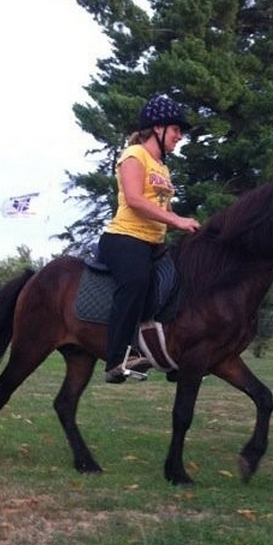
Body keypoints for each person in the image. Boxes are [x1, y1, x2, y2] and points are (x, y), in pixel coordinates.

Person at [98, 94, 201, 383]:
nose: (179, 136)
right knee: (137, 282)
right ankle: (117, 360)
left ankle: (172, 357)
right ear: (158, 128)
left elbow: (164, 208)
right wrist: (175, 220)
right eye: (176, 129)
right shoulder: (134, 156)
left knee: (180, 285)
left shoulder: (163, 168)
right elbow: (134, 199)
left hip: (154, 243)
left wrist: (187, 223)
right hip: (125, 239)